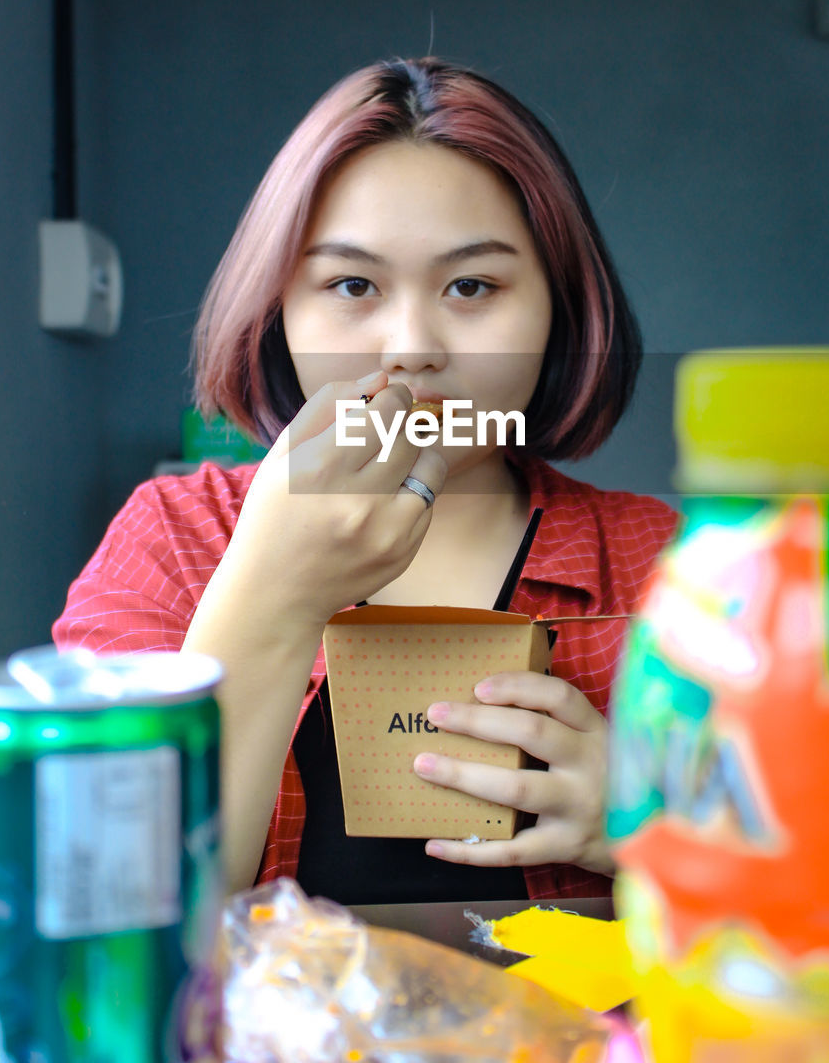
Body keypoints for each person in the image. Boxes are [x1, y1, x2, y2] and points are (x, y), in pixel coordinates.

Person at [53, 56, 678, 904]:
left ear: (559, 310)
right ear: (277, 310)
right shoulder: (172, 537)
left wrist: (661, 836)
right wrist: (267, 595)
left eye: (472, 286)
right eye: (352, 284)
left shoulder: (675, 571)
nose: (410, 344)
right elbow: (101, 909)